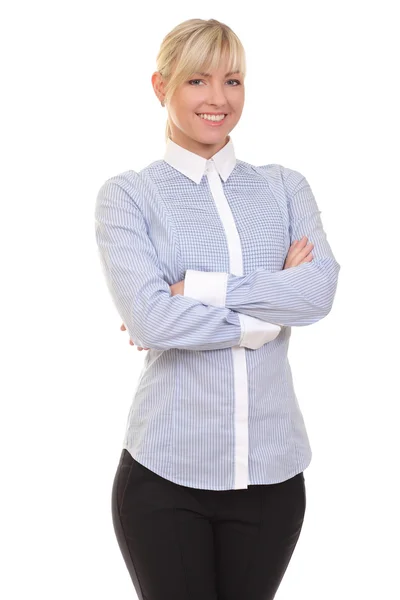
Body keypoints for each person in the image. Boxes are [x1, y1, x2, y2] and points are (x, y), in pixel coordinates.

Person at [94, 17, 340, 600]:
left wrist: (196, 289)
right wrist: (268, 308)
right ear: (162, 87)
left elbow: (319, 293)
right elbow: (152, 320)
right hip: (165, 475)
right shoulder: (128, 196)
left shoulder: (284, 187)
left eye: (233, 81)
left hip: (272, 474)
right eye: (197, 81)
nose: (218, 99)